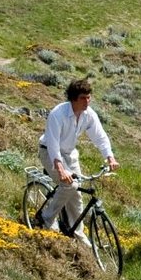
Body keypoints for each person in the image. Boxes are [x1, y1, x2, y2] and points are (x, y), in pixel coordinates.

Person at [34, 78, 119, 235]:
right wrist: (60, 169)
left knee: (77, 194)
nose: (87, 101)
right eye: (83, 98)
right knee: (69, 185)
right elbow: (52, 145)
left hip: (69, 153)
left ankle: (77, 233)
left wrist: (110, 157)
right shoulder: (57, 115)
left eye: (89, 97)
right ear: (73, 98)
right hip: (49, 152)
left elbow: (100, 136)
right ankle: (45, 219)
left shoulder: (89, 114)